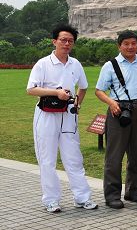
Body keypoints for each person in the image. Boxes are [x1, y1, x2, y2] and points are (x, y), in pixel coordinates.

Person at [27, 24, 98, 213]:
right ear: (54, 41)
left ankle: (82, 198)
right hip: (46, 115)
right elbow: (31, 89)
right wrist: (55, 92)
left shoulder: (75, 64)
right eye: (63, 40)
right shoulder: (43, 63)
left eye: (70, 41)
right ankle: (51, 200)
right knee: (47, 159)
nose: (67, 44)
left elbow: (83, 86)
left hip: (68, 115)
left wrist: (78, 104)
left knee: (74, 158)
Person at [95, 30, 137, 209]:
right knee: (114, 155)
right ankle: (112, 195)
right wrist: (111, 103)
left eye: (133, 43)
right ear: (119, 46)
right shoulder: (110, 65)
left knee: (136, 153)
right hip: (118, 110)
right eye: (126, 44)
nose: (130, 47)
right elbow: (99, 90)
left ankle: (133, 190)